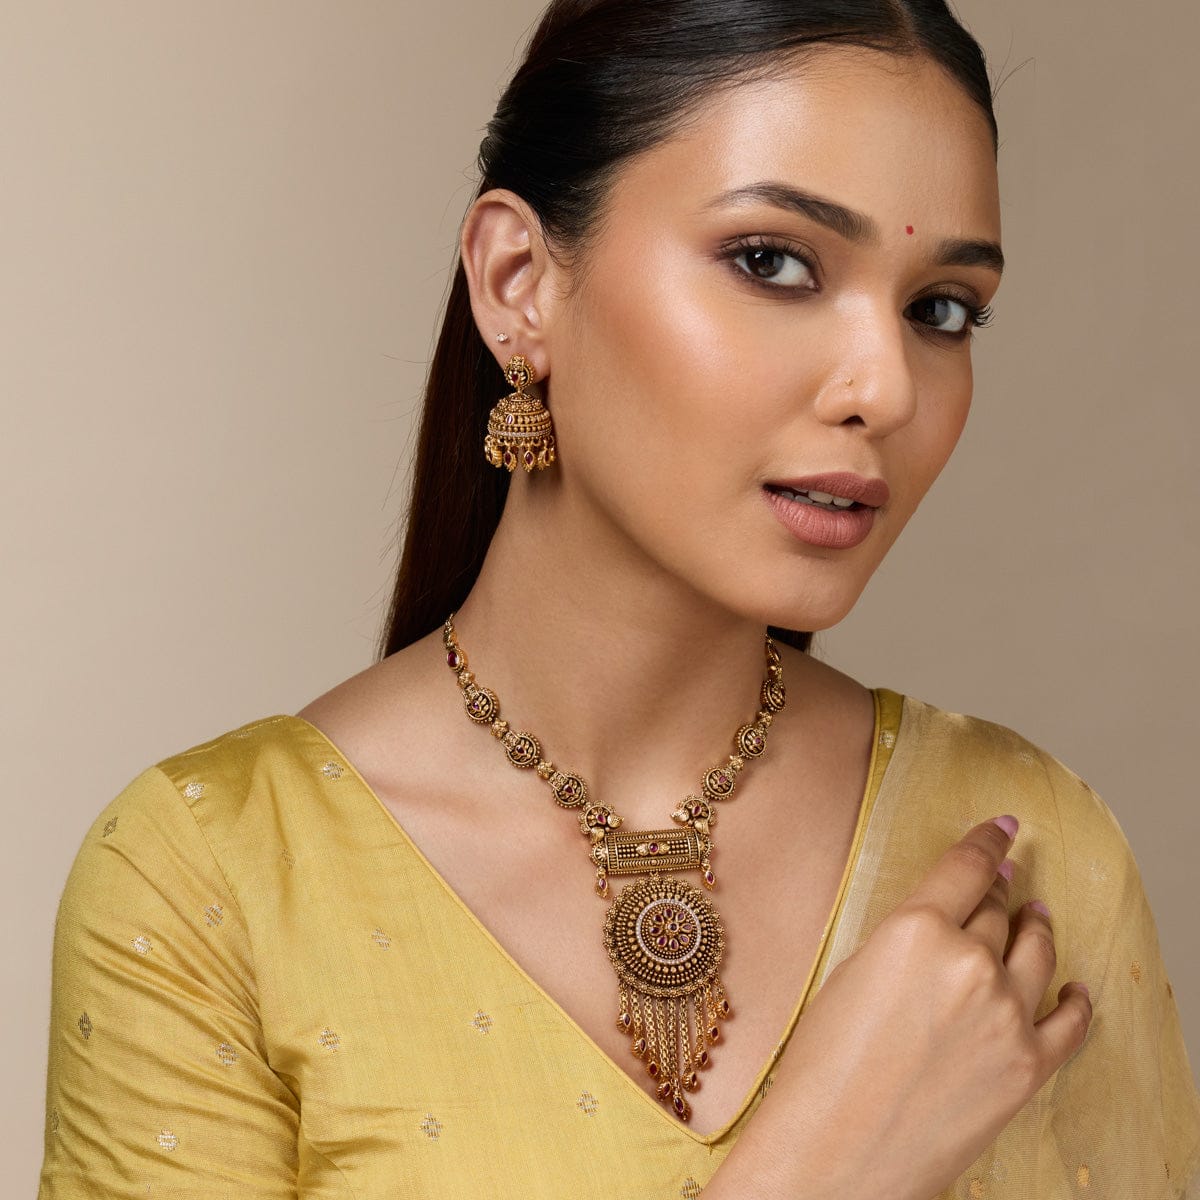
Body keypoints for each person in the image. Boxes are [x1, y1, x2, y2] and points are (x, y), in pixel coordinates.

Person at [37, 1, 1200, 1197]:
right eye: (774, 262)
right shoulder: (211, 885)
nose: (887, 388)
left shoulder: (1033, 857)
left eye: (940, 308)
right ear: (518, 283)